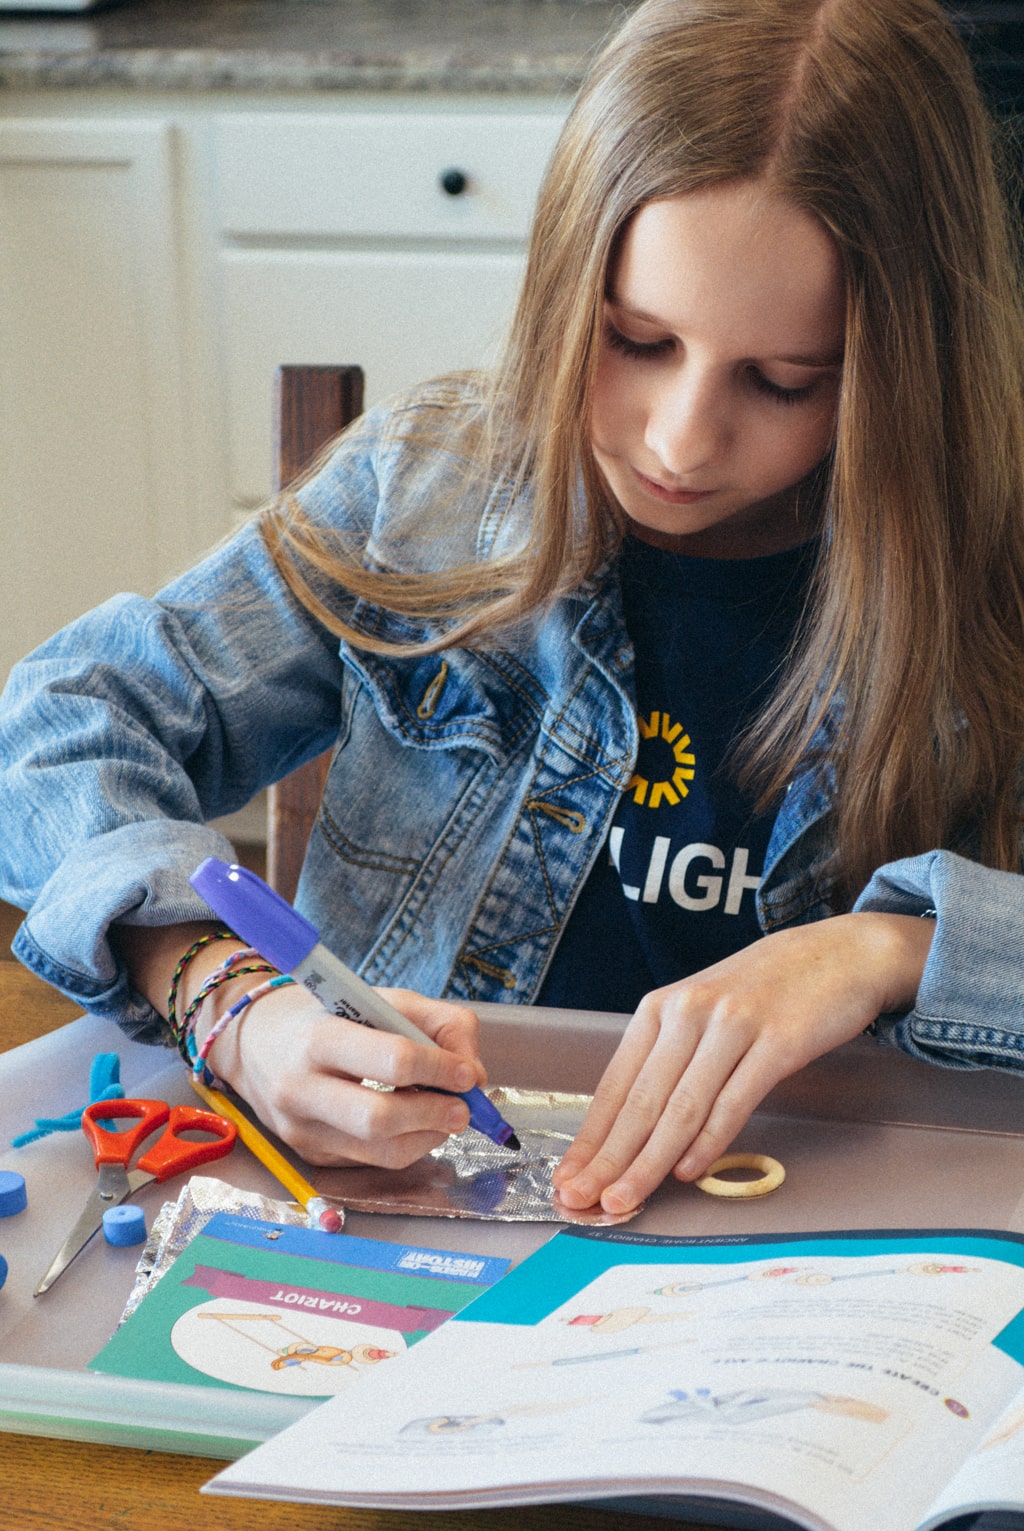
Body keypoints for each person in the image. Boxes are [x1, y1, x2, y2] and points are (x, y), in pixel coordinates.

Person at [3, 0, 1024, 1219]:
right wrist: (223, 1000)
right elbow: (58, 727)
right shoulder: (425, 492)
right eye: (635, 341)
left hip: (853, 1239)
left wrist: (893, 949)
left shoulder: (989, 563)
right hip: (415, 1217)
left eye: (782, 380)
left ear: (906, 363)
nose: (680, 441)